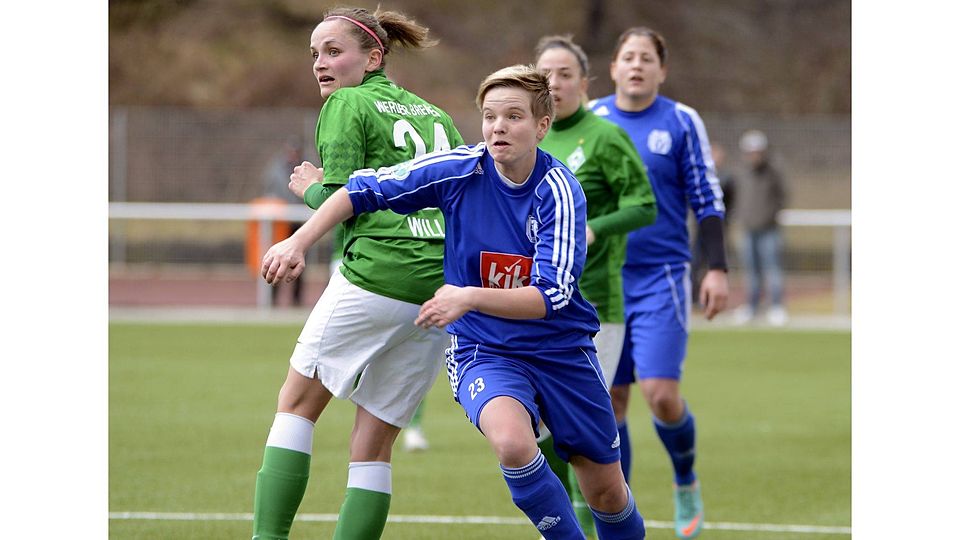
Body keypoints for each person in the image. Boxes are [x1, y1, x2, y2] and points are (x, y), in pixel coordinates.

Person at [262, 64, 646, 540]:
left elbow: (553, 294)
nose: (498, 127)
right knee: (511, 443)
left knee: (606, 492)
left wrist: (468, 296)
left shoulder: (559, 190)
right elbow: (360, 191)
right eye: (489, 116)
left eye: (513, 116)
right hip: (487, 350)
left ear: (542, 126)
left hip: (561, 351)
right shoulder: (461, 169)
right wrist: (297, 242)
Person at [250, 7, 463, 540]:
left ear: (373, 57)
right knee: (373, 446)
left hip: (379, 274)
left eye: (334, 51)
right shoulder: (434, 114)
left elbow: (349, 194)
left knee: (296, 406)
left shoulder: (348, 101)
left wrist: (309, 191)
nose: (321, 63)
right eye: (315, 54)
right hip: (439, 291)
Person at [589, 27, 730, 539]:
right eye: (627, 57)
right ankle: (618, 513)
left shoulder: (680, 120)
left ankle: (685, 477)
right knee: (611, 402)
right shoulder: (592, 120)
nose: (636, 66)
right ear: (612, 67)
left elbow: (707, 198)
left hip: (661, 277)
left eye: (647, 58)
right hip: (603, 279)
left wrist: (715, 267)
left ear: (661, 70)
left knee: (661, 394)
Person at [535, 34, 658, 538]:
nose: (555, 84)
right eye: (546, 74)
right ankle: (568, 523)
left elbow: (644, 204)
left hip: (594, 304)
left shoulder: (604, 138)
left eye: (566, 74)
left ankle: (596, 522)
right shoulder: (527, 135)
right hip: (535, 303)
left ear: (585, 83)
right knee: (537, 425)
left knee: (584, 426)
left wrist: (595, 227)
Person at [731, 129, 788, 326]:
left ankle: (776, 307)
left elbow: (782, 197)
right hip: (747, 229)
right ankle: (751, 306)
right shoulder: (740, 173)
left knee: (773, 269)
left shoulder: (773, 173)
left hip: (769, 229)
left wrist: (769, 215)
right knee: (751, 271)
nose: (754, 155)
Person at [262, 139, 309, 306]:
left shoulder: (306, 169)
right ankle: (271, 299)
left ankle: (296, 300)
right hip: (281, 221)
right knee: (276, 260)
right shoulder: (276, 169)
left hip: (299, 221)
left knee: (298, 262)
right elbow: (269, 191)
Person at [690, 143, 736, 305]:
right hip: (700, 230)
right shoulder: (698, 176)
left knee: (716, 263)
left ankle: (716, 297)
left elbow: (727, 203)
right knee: (695, 263)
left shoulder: (726, 178)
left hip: (719, 228)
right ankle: (695, 297)